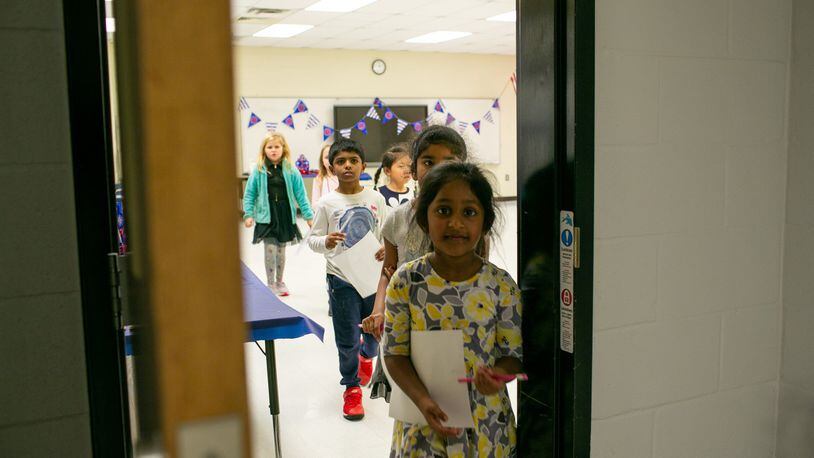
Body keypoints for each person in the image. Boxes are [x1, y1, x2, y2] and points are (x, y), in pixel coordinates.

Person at [383, 162, 522, 457]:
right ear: (424, 219)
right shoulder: (406, 281)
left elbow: (512, 356)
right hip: (424, 427)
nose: (456, 223)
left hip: (487, 429)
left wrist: (498, 374)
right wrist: (423, 400)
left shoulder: (501, 285)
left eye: (469, 213)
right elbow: (394, 354)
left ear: (485, 223)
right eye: (443, 211)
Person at [306, 138, 387, 421]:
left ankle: (368, 357)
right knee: (347, 338)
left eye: (353, 160)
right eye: (341, 161)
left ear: (363, 165)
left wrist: (384, 249)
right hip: (340, 280)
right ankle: (351, 388)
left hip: (372, 280)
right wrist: (325, 241)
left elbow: (386, 236)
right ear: (332, 167)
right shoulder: (327, 203)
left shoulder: (376, 198)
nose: (348, 165)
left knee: (374, 333)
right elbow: (312, 240)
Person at [243, 133, 313, 296]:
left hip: (284, 216)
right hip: (266, 217)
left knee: (281, 251)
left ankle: (280, 282)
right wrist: (248, 214)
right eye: (270, 147)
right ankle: (270, 284)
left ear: (283, 149)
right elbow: (250, 194)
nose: (273, 150)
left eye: (277, 147)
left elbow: (301, 195)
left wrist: (308, 216)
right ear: (264, 150)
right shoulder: (259, 170)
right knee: (270, 250)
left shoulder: (291, 170)